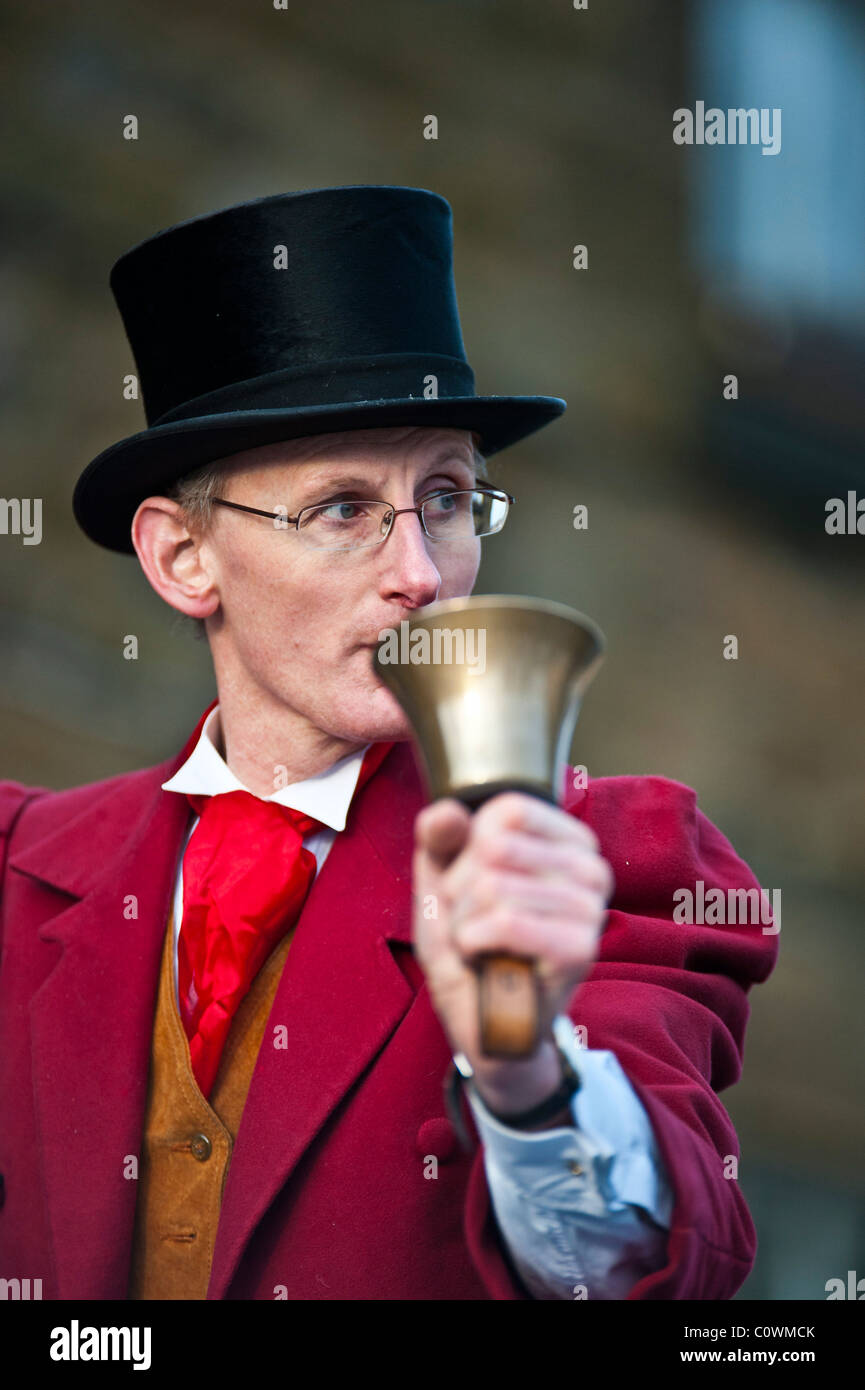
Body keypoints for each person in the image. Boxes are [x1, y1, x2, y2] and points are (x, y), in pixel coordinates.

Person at [0, 186, 777, 1300]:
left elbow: (649, 1275)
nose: (422, 572)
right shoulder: (16, 869)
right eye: (342, 509)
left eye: (449, 497)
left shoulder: (606, 853)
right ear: (183, 560)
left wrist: (522, 1065)